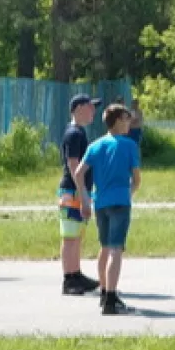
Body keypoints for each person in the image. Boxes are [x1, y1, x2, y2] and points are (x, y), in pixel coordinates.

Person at [71, 104, 142, 315]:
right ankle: (111, 298)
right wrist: (128, 192)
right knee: (116, 249)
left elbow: (78, 173)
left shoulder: (95, 146)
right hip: (120, 201)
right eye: (128, 119)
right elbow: (137, 179)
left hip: (100, 201)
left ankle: (104, 291)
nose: (130, 123)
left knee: (104, 247)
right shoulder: (129, 146)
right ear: (119, 120)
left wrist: (85, 197)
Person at [56, 95, 100, 296]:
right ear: (79, 108)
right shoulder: (74, 133)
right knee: (70, 237)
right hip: (72, 191)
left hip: (79, 190)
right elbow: (74, 166)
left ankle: (76, 274)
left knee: (76, 236)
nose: (94, 112)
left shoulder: (79, 132)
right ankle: (69, 278)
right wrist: (83, 194)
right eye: (91, 107)